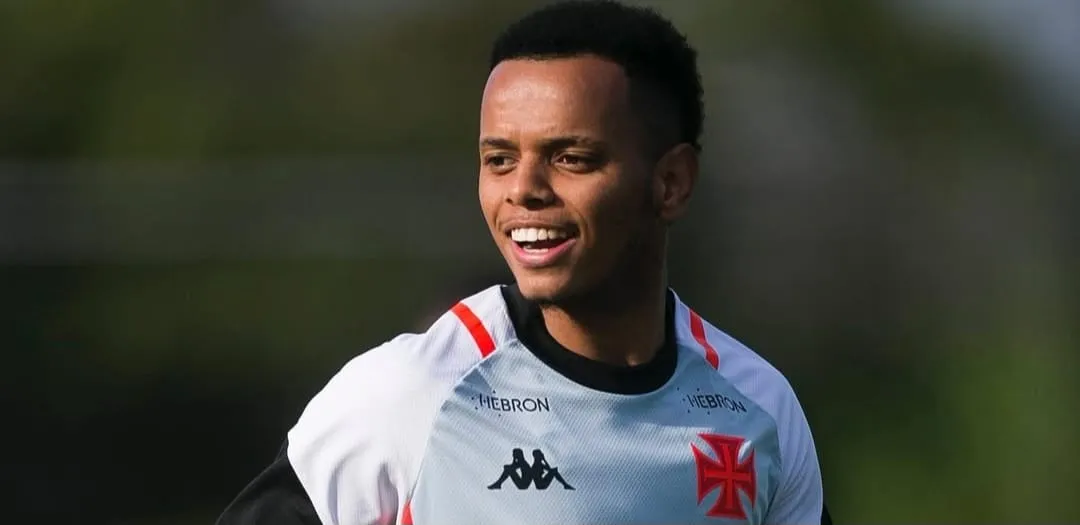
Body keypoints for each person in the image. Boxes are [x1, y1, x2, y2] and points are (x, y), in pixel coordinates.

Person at [217, 1, 832, 524]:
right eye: (499, 159)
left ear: (670, 182)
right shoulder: (407, 396)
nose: (524, 190)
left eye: (571, 158)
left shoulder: (761, 410)